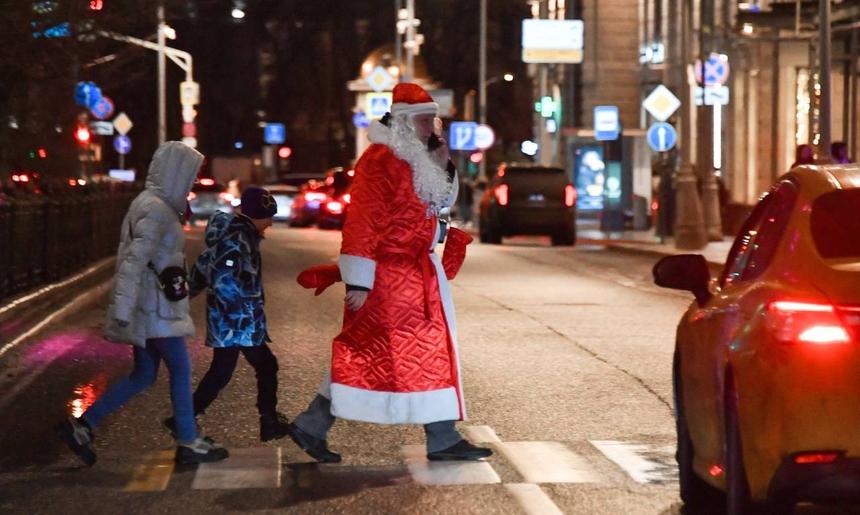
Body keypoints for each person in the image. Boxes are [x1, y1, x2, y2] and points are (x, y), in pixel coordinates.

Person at [288, 83, 492, 463]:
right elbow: (363, 220)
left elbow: (441, 202)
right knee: (374, 350)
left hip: (415, 275)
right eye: (426, 120)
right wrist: (360, 280)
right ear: (403, 122)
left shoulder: (416, 158)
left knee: (410, 351)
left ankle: (316, 425)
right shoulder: (380, 160)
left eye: (434, 120)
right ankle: (438, 436)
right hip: (389, 277)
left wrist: (443, 161)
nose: (434, 127)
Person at [55, 141, 229, 466]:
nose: (191, 183)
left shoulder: (152, 204)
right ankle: (189, 440)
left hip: (151, 307)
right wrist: (121, 311)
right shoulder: (157, 210)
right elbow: (133, 261)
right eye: (189, 175)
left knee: (144, 375)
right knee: (180, 368)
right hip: (155, 309)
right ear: (176, 173)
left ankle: (82, 426)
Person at [163, 186, 290, 442]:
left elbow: (202, 269)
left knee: (223, 371)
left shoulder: (235, 234)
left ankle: (185, 418)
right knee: (264, 366)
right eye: (269, 218)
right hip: (237, 322)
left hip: (233, 321)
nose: (270, 225)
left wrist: (186, 294)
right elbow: (224, 280)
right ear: (258, 215)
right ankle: (269, 421)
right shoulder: (237, 239)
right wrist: (241, 315)